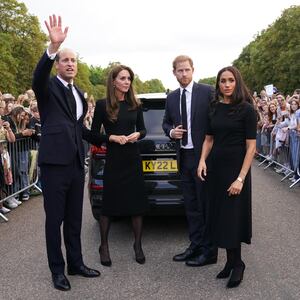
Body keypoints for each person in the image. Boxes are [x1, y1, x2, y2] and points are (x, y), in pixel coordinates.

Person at [32, 15, 100, 291]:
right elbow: (38, 77)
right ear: (57, 65)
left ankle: (76, 263)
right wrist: (52, 47)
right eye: (65, 60)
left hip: (74, 164)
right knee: (55, 221)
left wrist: (109, 138)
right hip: (53, 165)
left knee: (74, 219)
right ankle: (57, 270)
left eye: (73, 61)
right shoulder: (47, 88)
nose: (70, 64)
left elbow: (78, 129)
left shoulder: (79, 93)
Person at [197, 66, 256, 288]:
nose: (227, 84)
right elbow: (209, 139)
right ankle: (230, 262)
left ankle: (238, 264)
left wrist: (240, 178)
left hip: (236, 171)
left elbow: (251, 147)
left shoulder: (247, 110)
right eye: (223, 81)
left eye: (231, 80)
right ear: (218, 84)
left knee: (233, 217)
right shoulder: (214, 108)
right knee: (221, 216)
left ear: (237, 82)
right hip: (216, 170)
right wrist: (202, 160)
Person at [162, 55, 217, 266]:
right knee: (191, 206)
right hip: (183, 157)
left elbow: (218, 122)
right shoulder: (172, 97)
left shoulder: (208, 92)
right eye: (179, 71)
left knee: (205, 205)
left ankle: (209, 251)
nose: (183, 74)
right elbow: (165, 122)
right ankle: (195, 245)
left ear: (193, 70)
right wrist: (170, 131)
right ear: (174, 72)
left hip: (203, 158)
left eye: (187, 70)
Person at [90, 64, 148, 266]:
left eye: (129, 79)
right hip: (114, 159)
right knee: (109, 206)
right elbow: (92, 135)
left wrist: (137, 134)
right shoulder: (102, 104)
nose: (126, 82)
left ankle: (138, 245)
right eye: (122, 78)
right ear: (113, 81)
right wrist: (111, 137)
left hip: (132, 158)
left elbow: (143, 129)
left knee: (136, 205)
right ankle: (104, 246)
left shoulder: (135, 104)